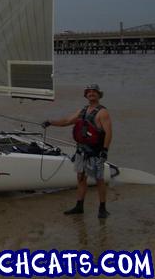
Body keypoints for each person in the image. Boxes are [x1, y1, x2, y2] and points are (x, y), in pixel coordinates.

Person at [42, 84, 113, 218]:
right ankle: (79, 206)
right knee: (80, 178)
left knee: (99, 179)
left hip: (96, 152)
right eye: (89, 92)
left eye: (94, 92)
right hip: (81, 151)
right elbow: (67, 121)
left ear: (99, 95)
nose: (91, 94)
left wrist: (105, 150)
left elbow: (109, 133)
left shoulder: (103, 112)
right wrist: (50, 122)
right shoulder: (82, 111)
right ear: (86, 95)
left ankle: (102, 208)